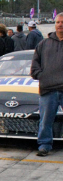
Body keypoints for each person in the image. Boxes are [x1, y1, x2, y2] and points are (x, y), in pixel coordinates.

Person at [31, 13, 63, 156]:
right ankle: (44, 145)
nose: (60, 24)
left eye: (62, 22)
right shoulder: (44, 43)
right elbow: (35, 63)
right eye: (58, 22)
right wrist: (41, 75)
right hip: (48, 90)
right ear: (54, 24)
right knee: (45, 121)